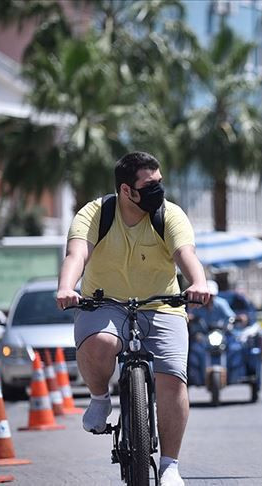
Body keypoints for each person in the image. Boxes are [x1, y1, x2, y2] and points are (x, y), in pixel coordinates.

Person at [56, 152, 211, 486]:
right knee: (100, 343)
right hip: (104, 304)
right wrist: (67, 287)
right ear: (127, 191)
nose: (159, 190)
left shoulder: (168, 215)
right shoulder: (95, 214)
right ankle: (99, 400)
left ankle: (170, 464)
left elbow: (187, 255)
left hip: (162, 305)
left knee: (172, 379)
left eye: (160, 182)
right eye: (150, 185)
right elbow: (76, 254)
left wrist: (199, 283)